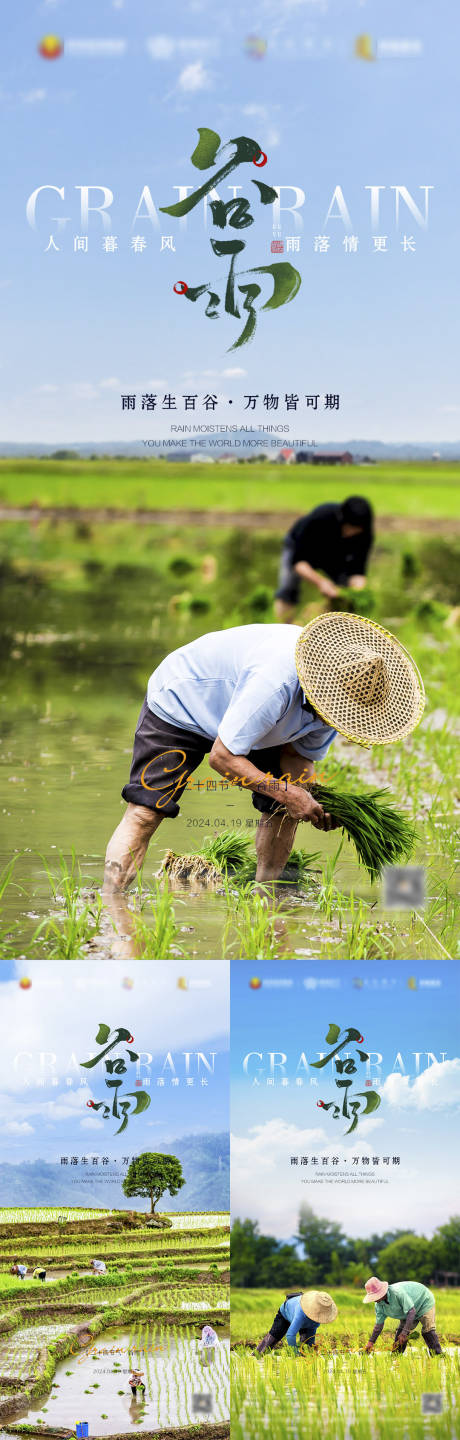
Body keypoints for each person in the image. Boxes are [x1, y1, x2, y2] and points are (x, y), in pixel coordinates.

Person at [104, 613, 424, 891]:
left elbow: (298, 760)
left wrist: (311, 799)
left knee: (283, 811)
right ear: (320, 684)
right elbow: (223, 757)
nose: (334, 719)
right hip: (183, 701)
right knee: (146, 812)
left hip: (255, 724)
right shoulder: (275, 681)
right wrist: (286, 793)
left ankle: (267, 899)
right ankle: (111, 906)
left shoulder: (340, 703)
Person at [275, 497, 374, 621]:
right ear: (342, 520)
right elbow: (299, 563)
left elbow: (358, 570)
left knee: (342, 593)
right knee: (288, 589)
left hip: (335, 554)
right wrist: (321, 582)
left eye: (356, 530)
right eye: (350, 528)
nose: (352, 533)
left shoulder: (365, 533)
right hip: (301, 548)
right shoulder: (321, 518)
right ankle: (285, 628)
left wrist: (356, 592)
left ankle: (329, 630)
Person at [363, 1276, 442, 1355]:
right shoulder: (379, 1305)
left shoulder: (397, 1293)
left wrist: (405, 1333)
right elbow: (378, 1326)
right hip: (408, 1311)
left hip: (423, 1301)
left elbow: (411, 1311)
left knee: (428, 1331)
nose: (374, 1299)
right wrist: (371, 1342)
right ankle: (396, 1357)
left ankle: (438, 1356)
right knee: (400, 1335)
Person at [257, 1289, 338, 1356]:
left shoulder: (318, 1318)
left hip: (303, 1319)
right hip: (285, 1313)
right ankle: (256, 1356)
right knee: (271, 1340)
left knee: (305, 1345)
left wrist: (311, 1349)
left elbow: (311, 1335)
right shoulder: (301, 1313)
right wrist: (295, 1353)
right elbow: (290, 1335)